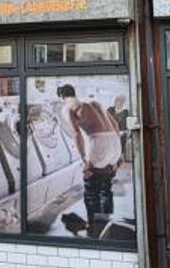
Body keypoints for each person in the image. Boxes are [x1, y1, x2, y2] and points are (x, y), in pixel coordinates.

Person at [57, 84, 121, 237]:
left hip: (98, 141)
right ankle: (105, 223)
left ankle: (94, 227)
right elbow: (116, 124)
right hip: (114, 140)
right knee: (106, 188)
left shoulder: (68, 107)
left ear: (62, 97)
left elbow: (76, 134)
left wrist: (84, 160)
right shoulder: (95, 103)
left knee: (91, 189)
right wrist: (118, 152)